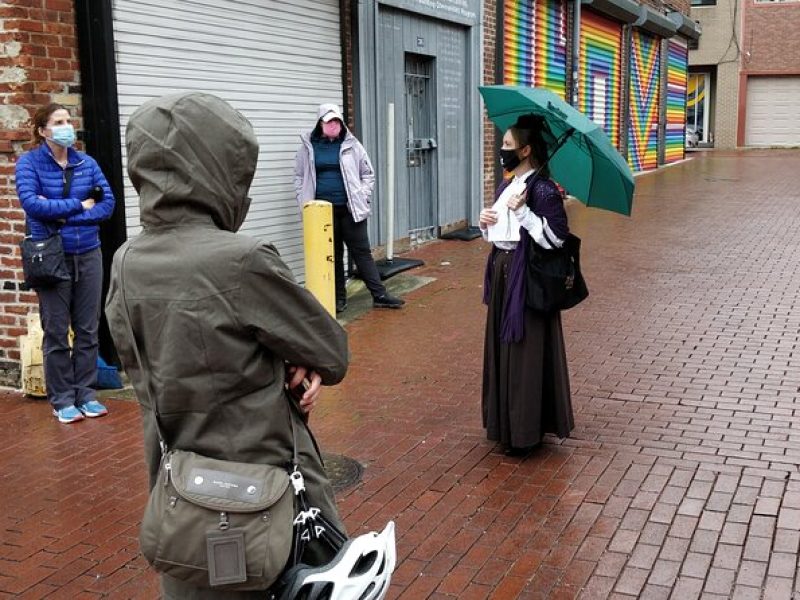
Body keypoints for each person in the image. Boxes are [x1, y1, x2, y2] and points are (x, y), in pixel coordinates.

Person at [104, 92, 350, 599]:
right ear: (220, 169)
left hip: (182, 497)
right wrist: (293, 359)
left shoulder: (125, 261)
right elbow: (331, 350)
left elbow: (144, 362)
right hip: (264, 494)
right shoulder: (241, 259)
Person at [478, 116, 574, 456]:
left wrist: (525, 215)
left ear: (526, 149)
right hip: (504, 273)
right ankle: (505, 425)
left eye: (507, 146)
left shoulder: (544, 190)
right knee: (503, 351)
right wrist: (485, 224)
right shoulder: (507, 187)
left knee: (525, 354)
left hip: (528, 281)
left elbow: (556, 239)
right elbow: (499, 235)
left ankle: (526, 431)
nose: (502, 151)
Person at [15, 103, 116, 424]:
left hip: (88, 252)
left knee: (88, 329)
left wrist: (59, 211)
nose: (67, 125)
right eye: (58, 121)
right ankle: (62, 400)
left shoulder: (87, 163)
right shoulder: (28, 163)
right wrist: (79, 204)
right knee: (57, 331)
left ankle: (86, 393)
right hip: (50, 256)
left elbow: (108, 205)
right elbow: (31, 204)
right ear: (43, 130)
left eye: (68, 120)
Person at [294, 103, 405, 313]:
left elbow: (367, 174)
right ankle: (338, 298)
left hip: (350, 208)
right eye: (329, 121)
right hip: (321, 212)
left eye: (336, 120)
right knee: (332, 254)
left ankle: (379, 295)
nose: (333, 125)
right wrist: (303, 199)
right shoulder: (308, 146)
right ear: (320, 123)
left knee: (361, 252)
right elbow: (299, 176)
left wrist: (362, 195)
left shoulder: (352, 144)